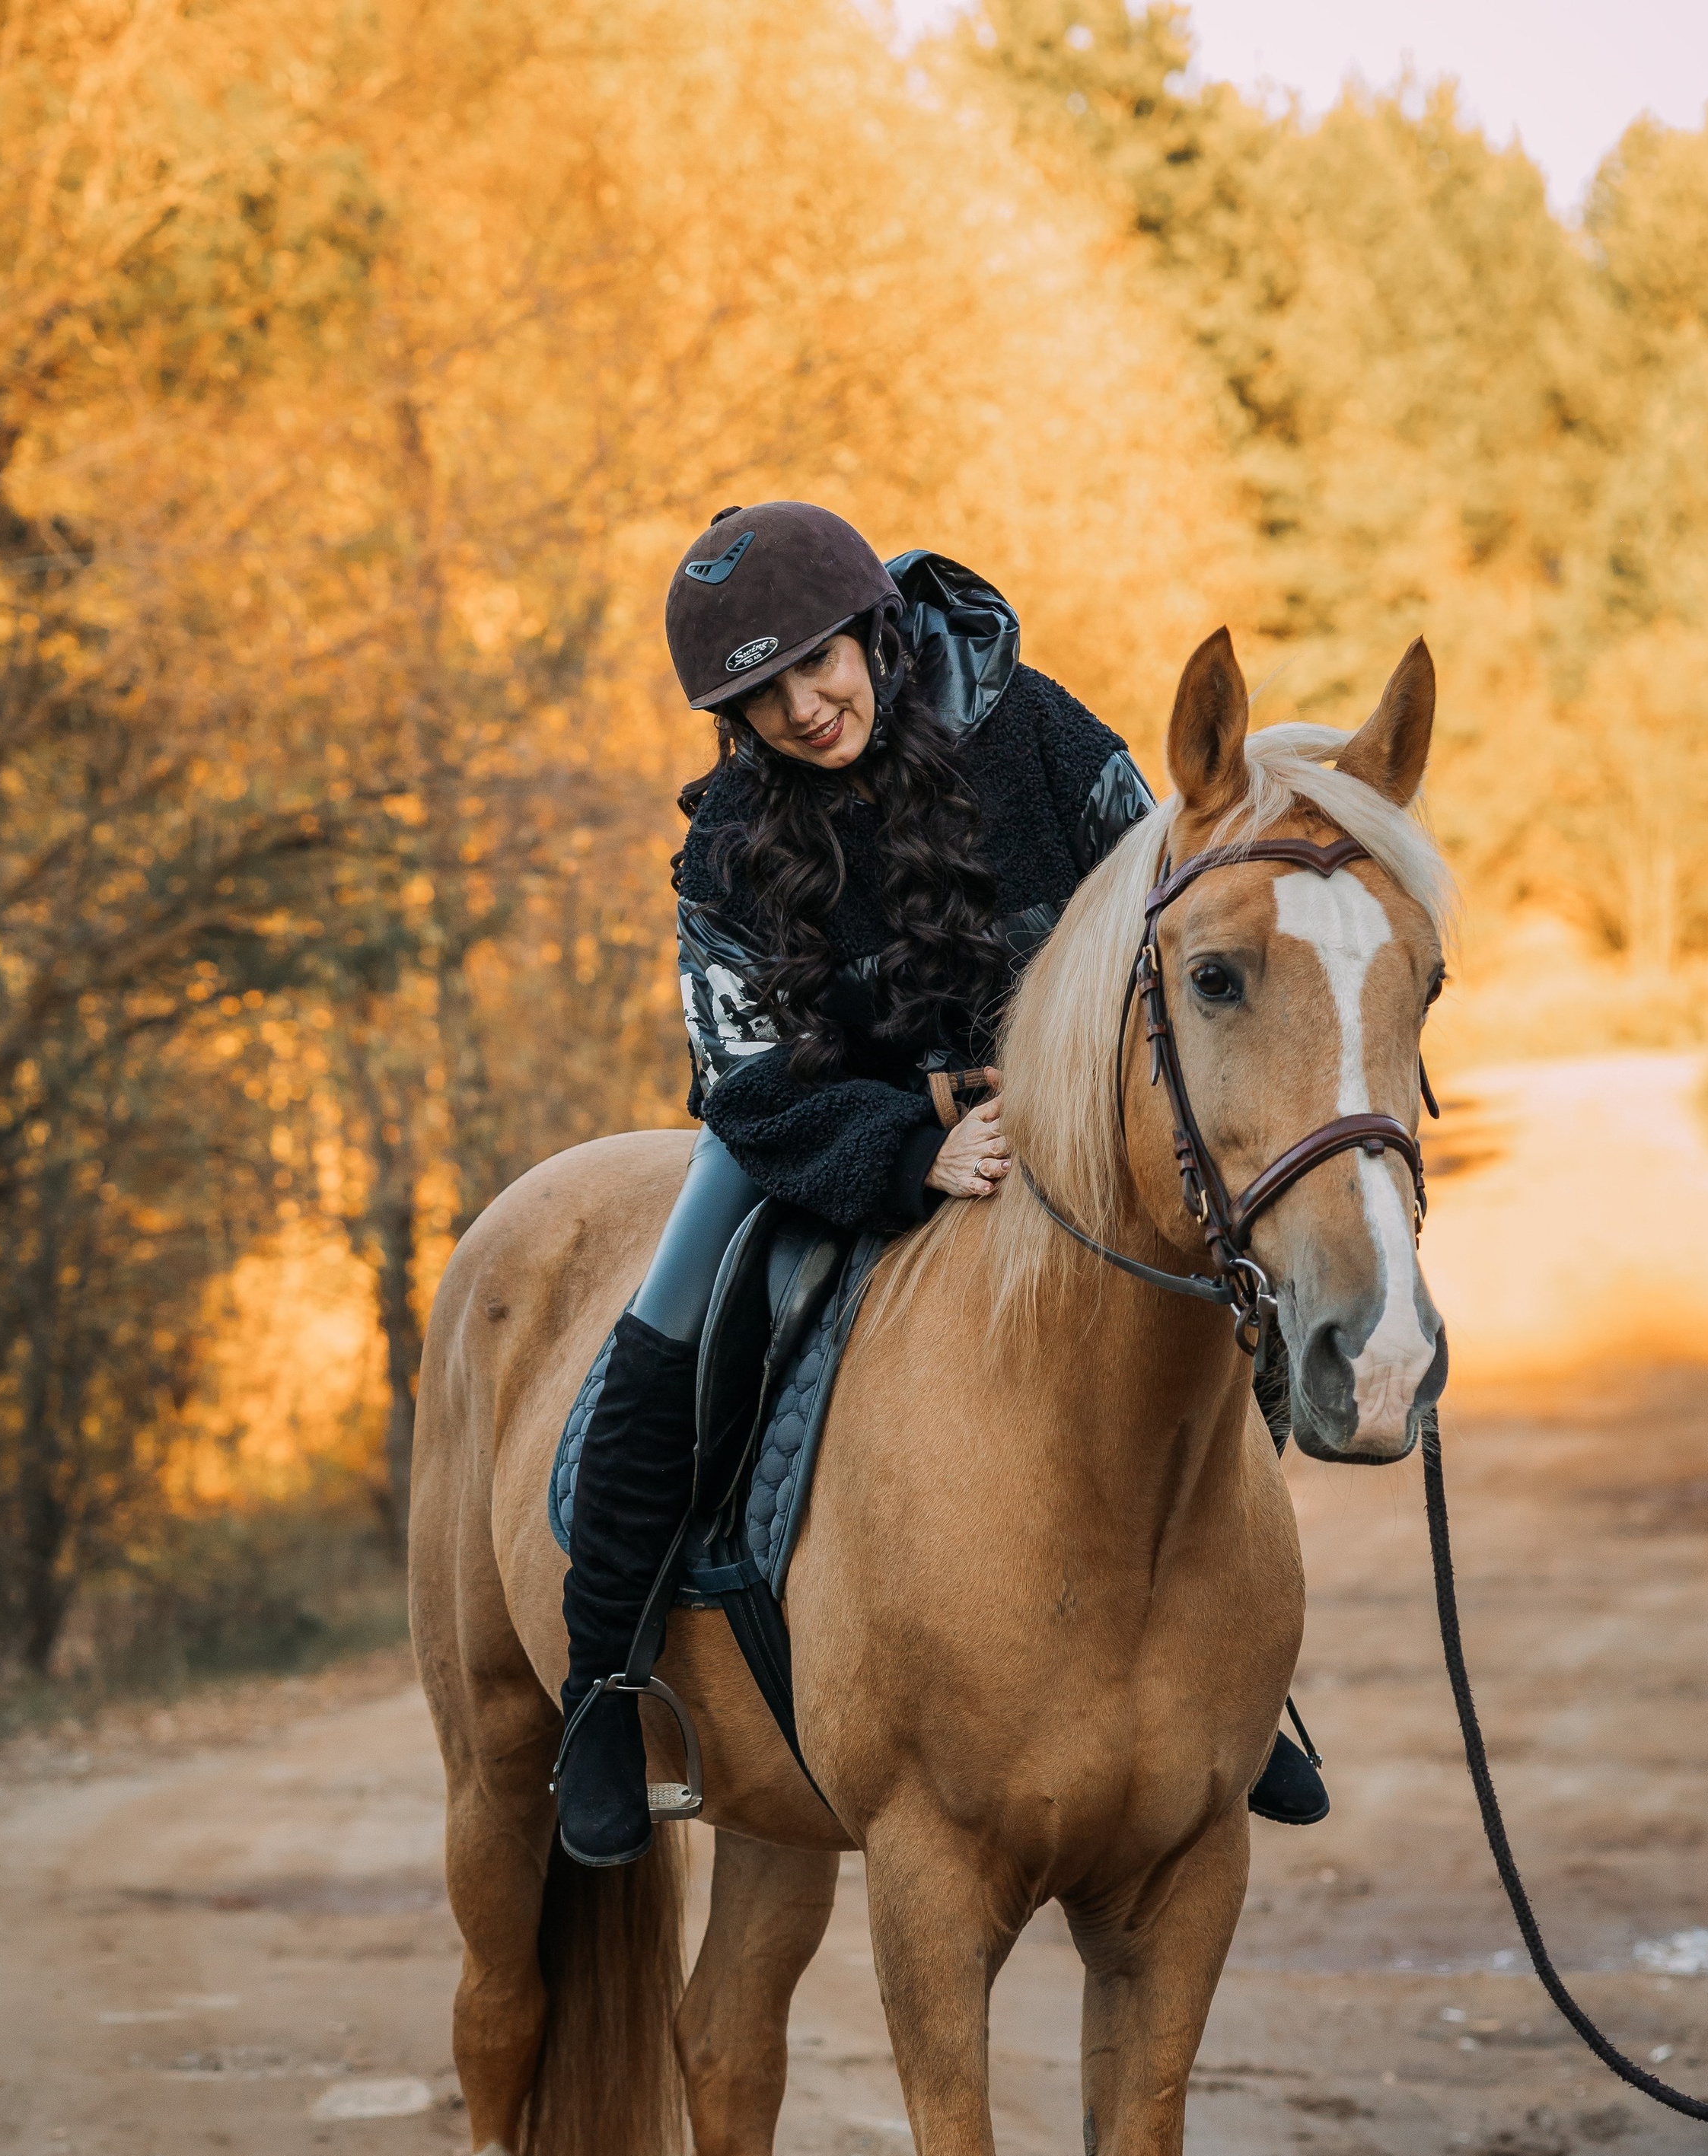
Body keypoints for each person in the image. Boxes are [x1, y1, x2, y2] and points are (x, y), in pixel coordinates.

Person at [553, 501, 1327, 1865]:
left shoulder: (1035, 731)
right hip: (833, 1128)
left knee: (1221, 1273)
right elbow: (740, 1080)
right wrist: (912, 1144)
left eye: (820, 665)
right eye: (762, 696)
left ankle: (1234, 1674)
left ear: (873, 632)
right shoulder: (730, 840)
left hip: (1059, 1112)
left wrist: (1043, 1106)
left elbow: (1158, 935)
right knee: (671, 1322)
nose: (804, 708)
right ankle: (602, 1692)